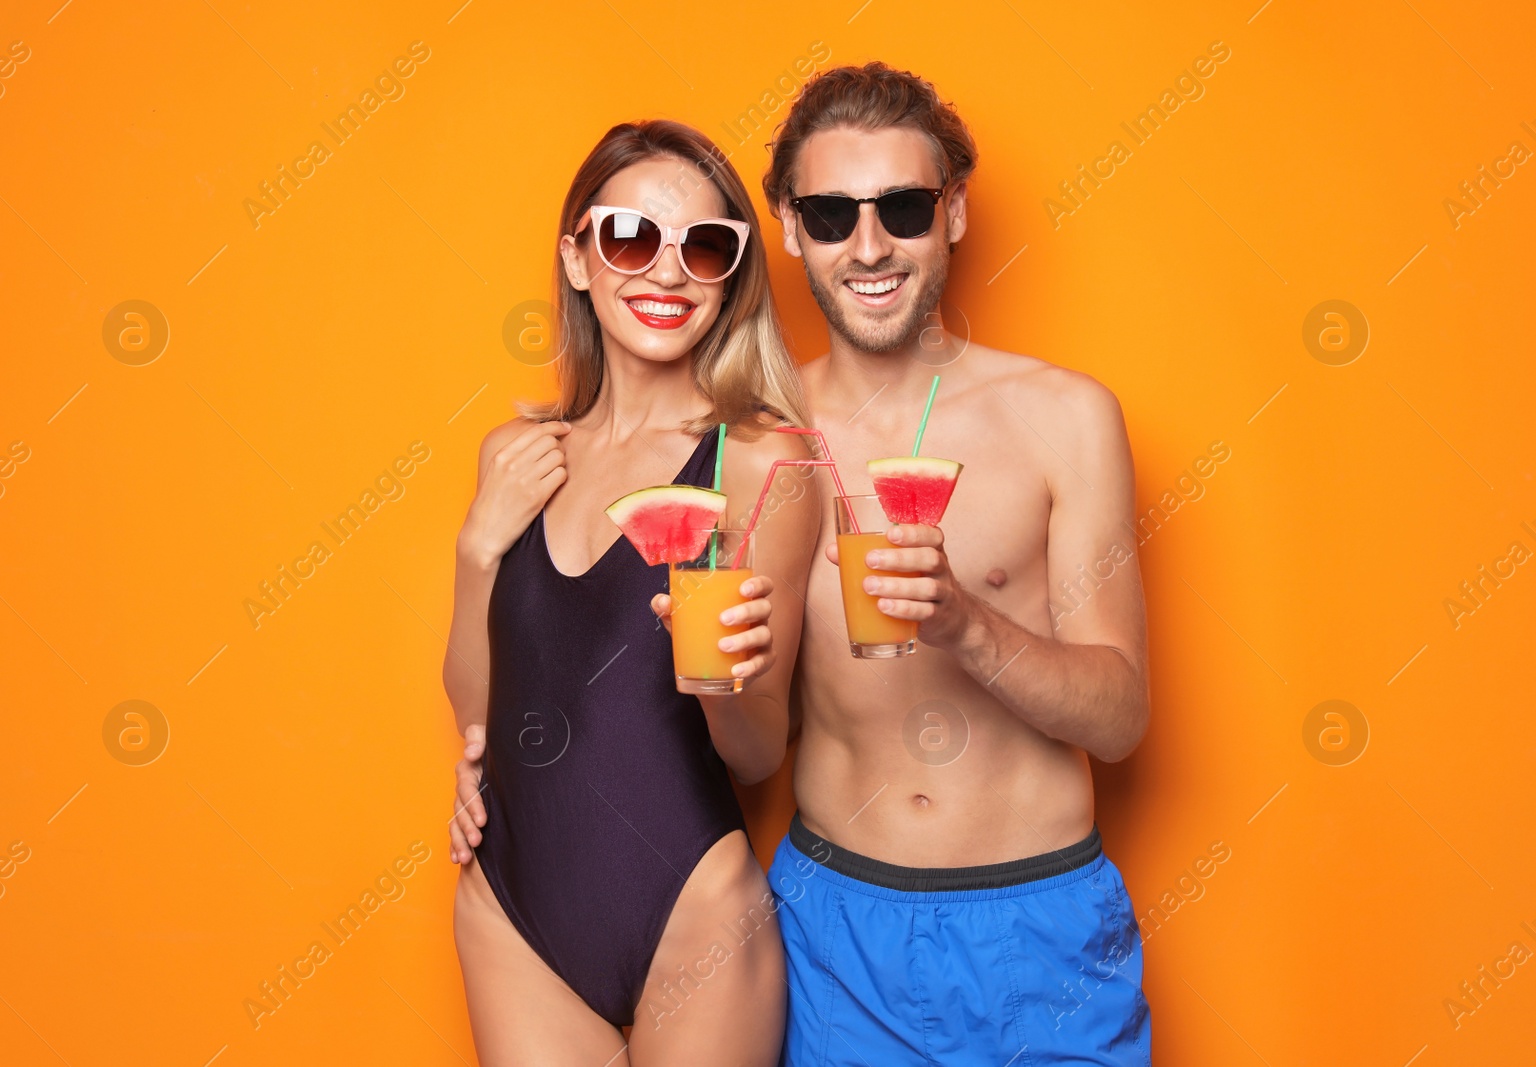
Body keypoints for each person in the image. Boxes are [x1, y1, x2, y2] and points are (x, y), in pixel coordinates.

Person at [760, 63, 1153, 1065]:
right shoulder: (758, 443)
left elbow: (1119, 718)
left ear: (954, 215)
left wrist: (964, 624)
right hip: (834, 932)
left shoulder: (1066, 417)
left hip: (1041, 929)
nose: (870, 244)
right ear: (790, 226)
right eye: (832, 213)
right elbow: (741, 744)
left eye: (901, 206)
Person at [442, 119, 820, 1066]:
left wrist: (720, 679)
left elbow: (758, 753)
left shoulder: (758, 462)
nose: (666, 273)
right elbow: (477, 712)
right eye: (629, 238)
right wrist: (477, 547)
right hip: (512, 903)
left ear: (731, 275)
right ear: (578, 256)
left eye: (703, 247)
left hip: (690, 903)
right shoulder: (516, 453)